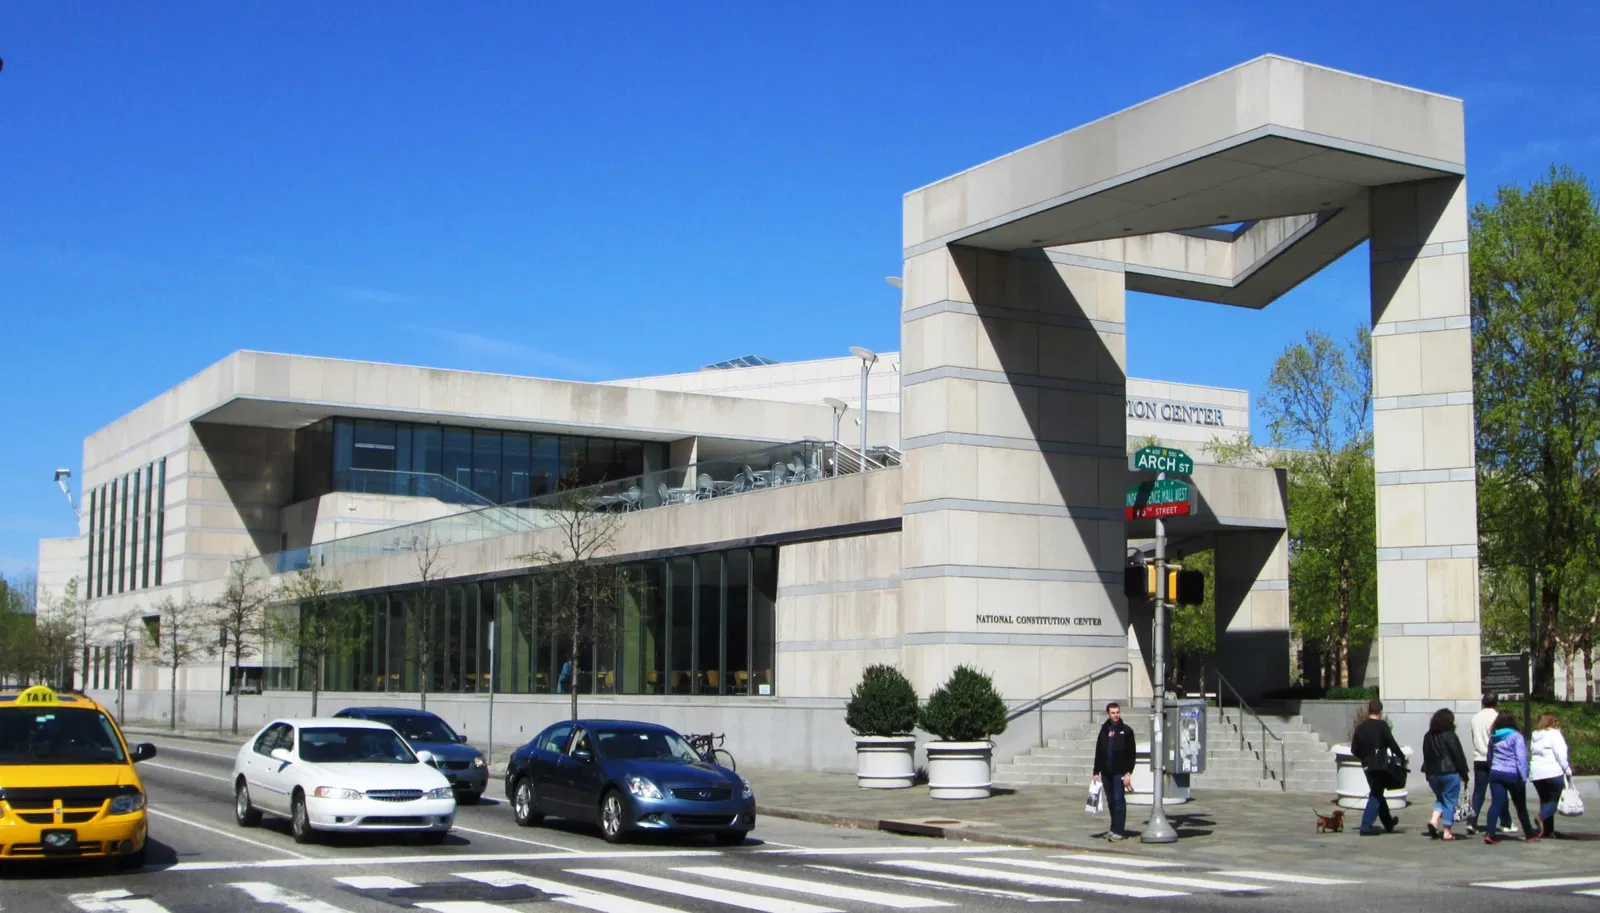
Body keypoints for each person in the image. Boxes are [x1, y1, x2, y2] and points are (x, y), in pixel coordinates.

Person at [1484, 711, 1540, 845]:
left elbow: (1489, 756)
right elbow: (1521, 759)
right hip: (1513, 774)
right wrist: (1523, 777)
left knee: (1496, 804)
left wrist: (1493, 768)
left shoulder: (1494, 737)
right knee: (1520, 806)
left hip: (1496, 773)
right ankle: (1529, 834)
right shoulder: (1516, 736)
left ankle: (1490, 833)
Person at [1350, 698, 1403, 835]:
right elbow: (1392, 744)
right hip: (1379, 765)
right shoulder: (1382, 726)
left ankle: (1388, 823)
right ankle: (1365, 826)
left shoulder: (1360, 727)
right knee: (1376, 794)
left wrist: (1364, 758)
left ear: (1369, 711)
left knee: (1377, 791)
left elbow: (1354, 749)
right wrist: (1402, 756)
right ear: (1380, 711)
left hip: (1366, 766)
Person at [1467, 694, 1514, 835]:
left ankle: (1472, 821)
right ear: (1496, 703)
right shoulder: (1497, 717)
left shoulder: (1475, 717)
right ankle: (1505, 822)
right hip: (1495, 758)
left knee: (1478, 792)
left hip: (1479, 758)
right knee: (1500, 791)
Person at [1421, 707, 1470, 841]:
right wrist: (1464, 774)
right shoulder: (1450, 735)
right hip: (1449, 772)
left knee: (1441, 799)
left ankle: (1434, 820)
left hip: (1432, 774)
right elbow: (1458, 756)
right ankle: (1447, 831)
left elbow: (1426, 755)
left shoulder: (1428, 736)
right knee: (1450, 801)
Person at [1091, 701, 1136, 842]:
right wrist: (1096, 771)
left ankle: (1120, 831)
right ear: (1108, 714)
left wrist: (1128, 773)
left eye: (1117, 712)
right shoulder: (1104, 730)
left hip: (1120, 772)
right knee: (1110, 801)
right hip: (1106, 772)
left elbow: (1131, 754)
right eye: (1113, 713)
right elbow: (1099, 751)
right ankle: (1113, 828)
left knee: (1118, 800)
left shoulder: (1127, 731)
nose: (1116, 715)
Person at [1529, 711, 1573, 839]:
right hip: (1553, 772)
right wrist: (1567, 769)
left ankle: (1547, 831)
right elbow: (1561, 755)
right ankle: (1541, 817)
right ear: (1553, 722)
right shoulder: (1555, 735)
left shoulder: (1535, 735)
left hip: (1536, 774)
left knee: (1545, 801)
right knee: (1555, 801)